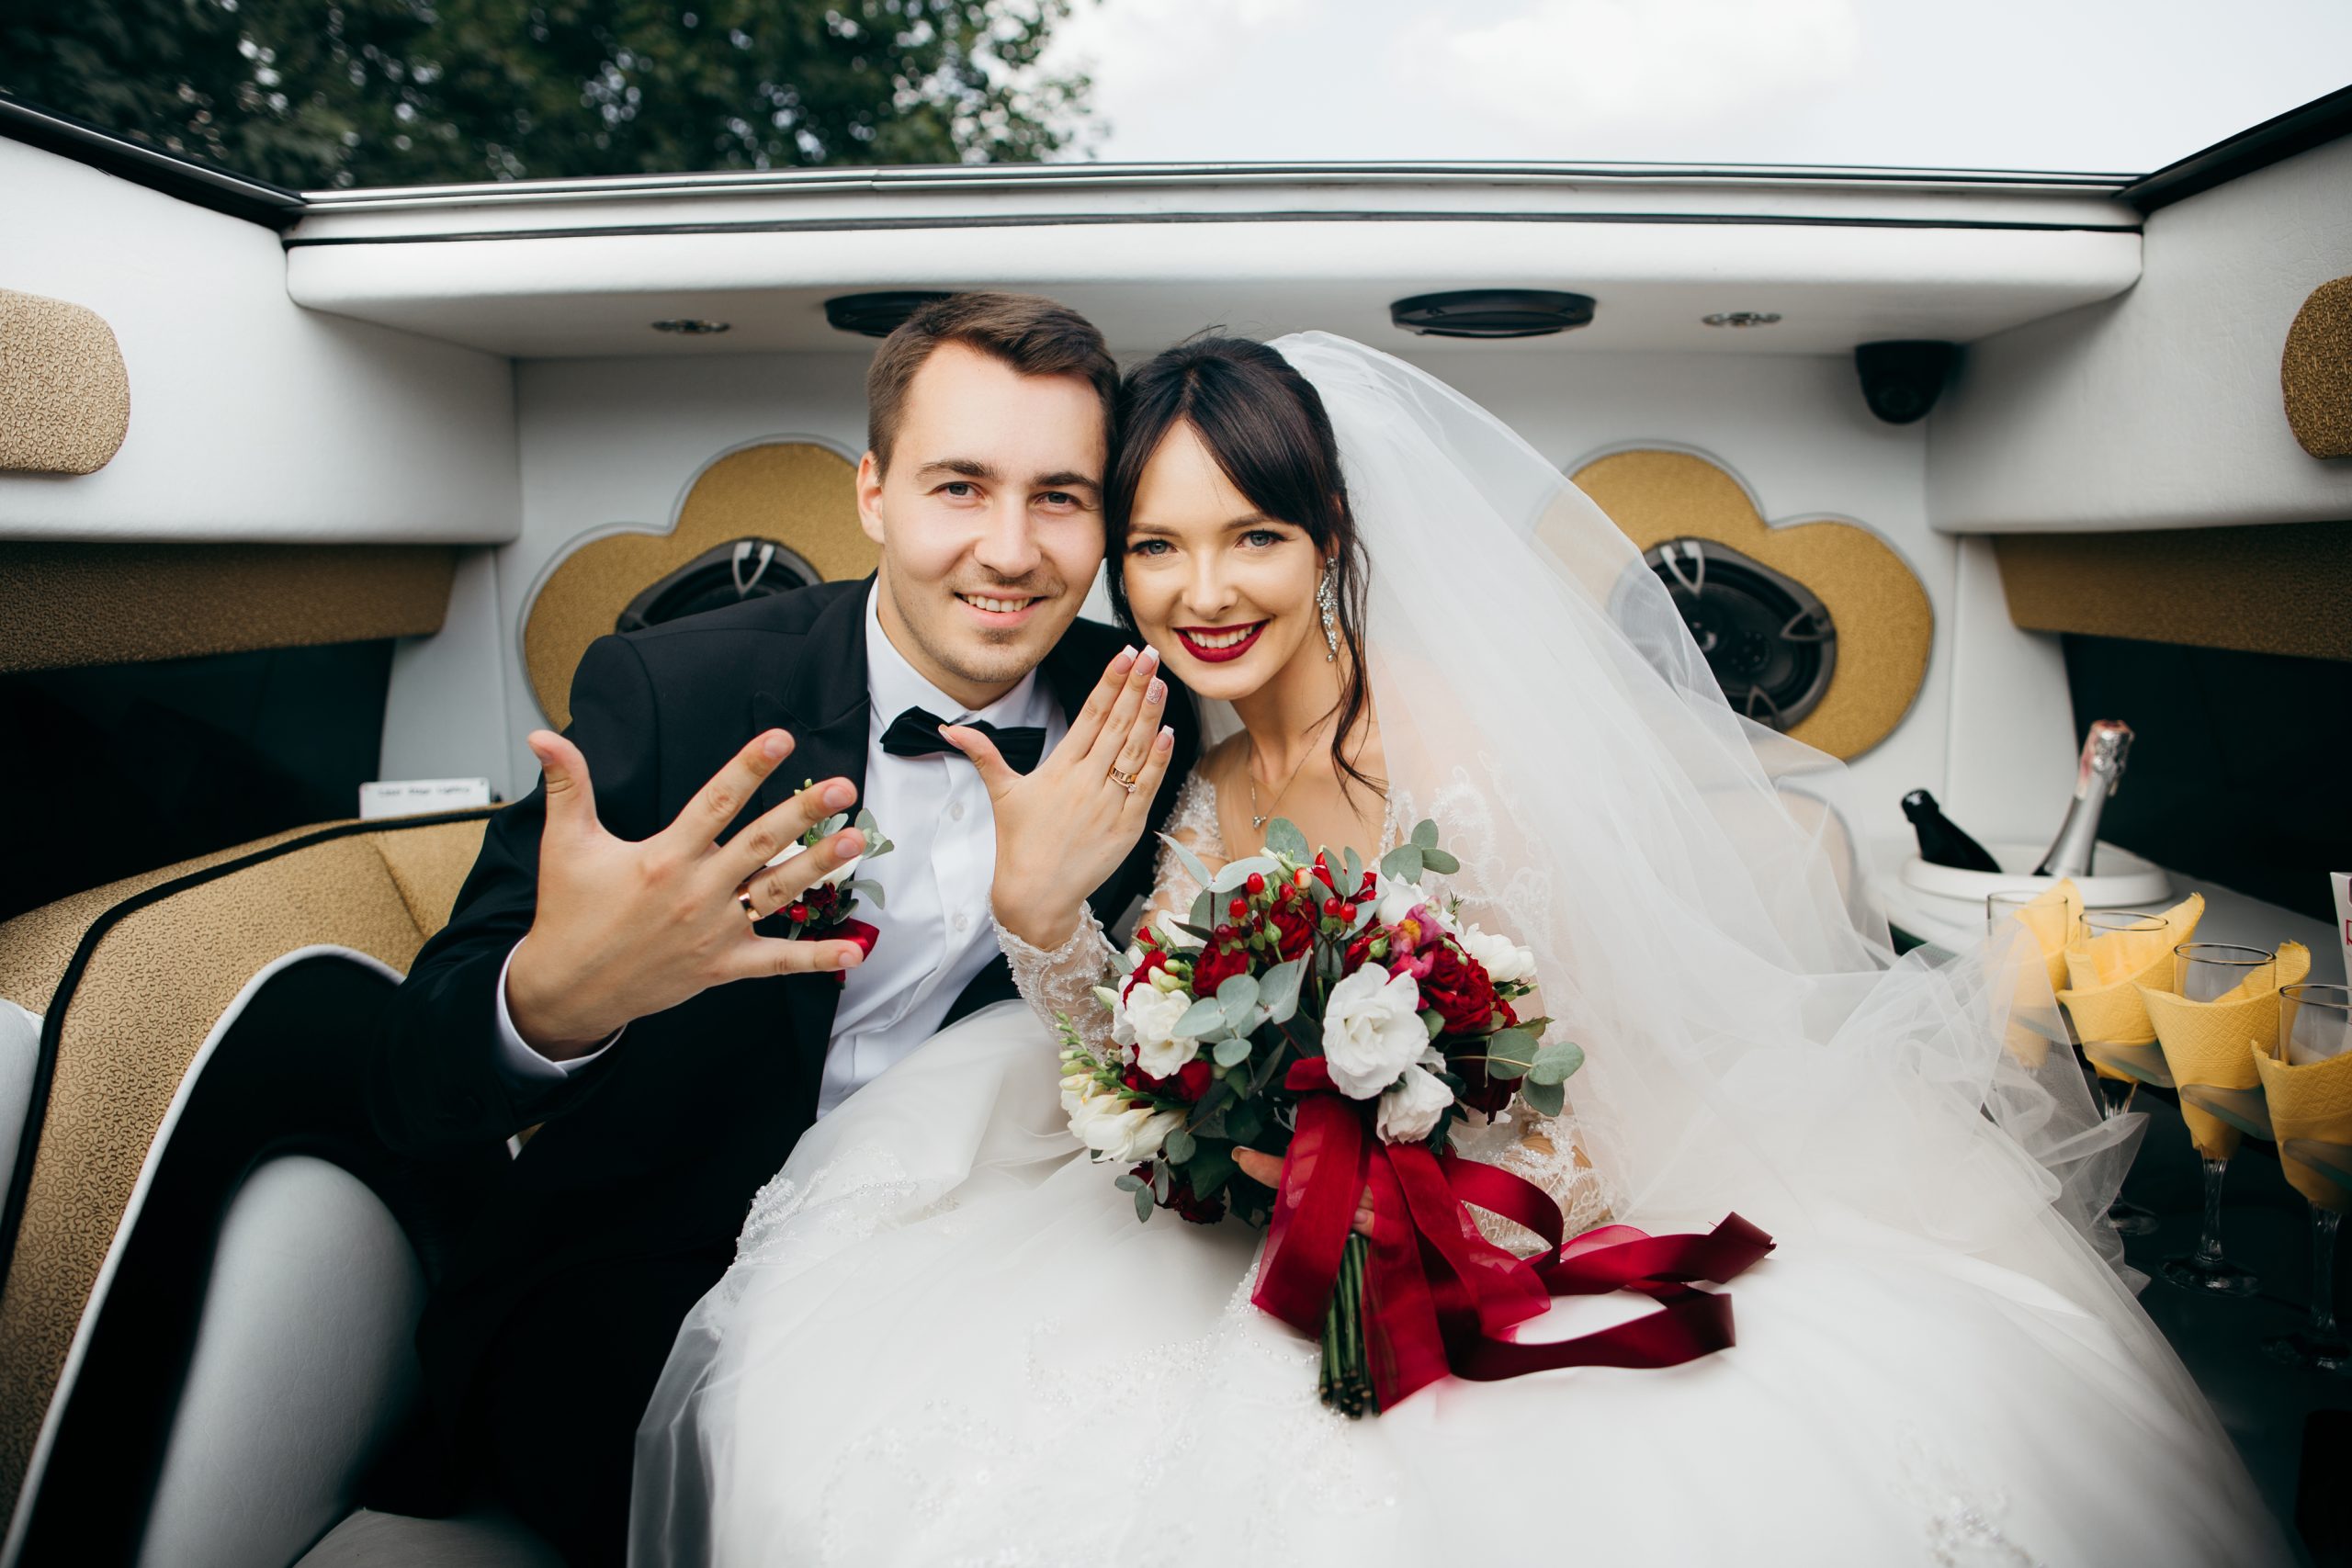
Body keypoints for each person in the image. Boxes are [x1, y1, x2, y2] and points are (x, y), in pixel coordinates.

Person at [631, 332, 2296, 1567]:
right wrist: (1047, 921)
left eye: (1252, 538)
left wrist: (1412, 1207)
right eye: (1152, 546)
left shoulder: (1448, 741)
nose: (1200, 591)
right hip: (1254, 1207)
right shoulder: (1187, 779)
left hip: (1498, 1212)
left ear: (1332, 536)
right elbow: (1115, 1048)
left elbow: (1579, 1099)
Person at [368, 292, 1202, 1567]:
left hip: (981, 1260)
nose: (1012, 549)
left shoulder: (1149, 713)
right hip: (654, 1272)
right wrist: (561, 1002)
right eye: (960, 488)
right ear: (872, 493)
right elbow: (417, 1085)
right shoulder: (678, 691)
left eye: (1060, 498)